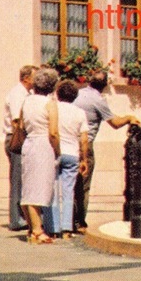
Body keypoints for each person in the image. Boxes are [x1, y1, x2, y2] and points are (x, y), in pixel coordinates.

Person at [73, 70, 139, 232]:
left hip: (68, 142)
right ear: (105, 85)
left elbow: (106, 114)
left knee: (69, 184)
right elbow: (115, 123)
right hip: (84, 145)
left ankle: (65, 221)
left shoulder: (78, 94)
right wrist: (129, 117)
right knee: (83, 185)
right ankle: (79, 222)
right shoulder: (98, 100)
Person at [20, 67, 61, 243]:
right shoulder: (49, 103)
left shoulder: (27, 101)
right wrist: (57, 150)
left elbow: (21, 126)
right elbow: (53, 132)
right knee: (40, 187)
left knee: (29, 186)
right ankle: (37, 230)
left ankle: (32, 228)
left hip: (29, 142)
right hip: (43, 144)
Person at [46, 80, 90, 239]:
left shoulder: (53, 108)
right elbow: (84, 139)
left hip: (54, 151)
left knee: (52, 190)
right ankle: (66, 228)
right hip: (72, 153)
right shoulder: (80, 113)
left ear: (58, 94)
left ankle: (53, 227)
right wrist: (84, 159)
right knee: (68, 192)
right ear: (75, 96)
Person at [3, 64, 37, 230]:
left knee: (23, 179)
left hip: (21, 138)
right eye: (34, 77)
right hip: (17, 138)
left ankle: (22, 217)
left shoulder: (26, 93)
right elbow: (17, 120)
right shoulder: (18, 94)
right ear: (26, 78)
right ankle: (16, 219)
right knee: (17, 180)